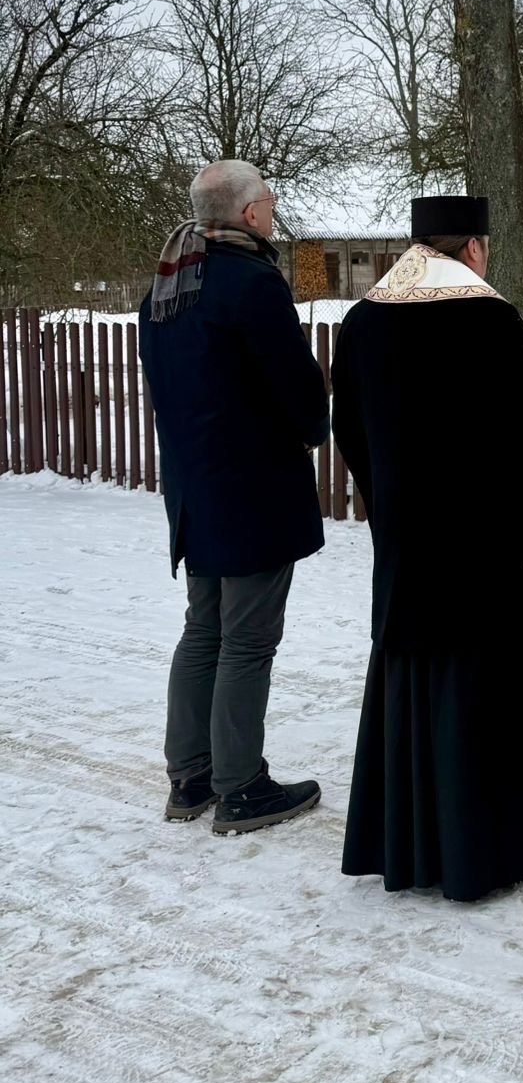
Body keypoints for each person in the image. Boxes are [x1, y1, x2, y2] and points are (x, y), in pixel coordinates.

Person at [330, 196, 523, 903]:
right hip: (485, 549)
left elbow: (350, 430)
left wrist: (390, 505)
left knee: (409, 689)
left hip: (407, 543)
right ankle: (479, 857)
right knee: (477, 697)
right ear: (473, 248)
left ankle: (407, 846)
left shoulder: (364, 319)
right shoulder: (491, 318)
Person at [140, 159, 329, 835]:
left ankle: (190, 776)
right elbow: (296, 384)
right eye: (269, 201)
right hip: (252, 491)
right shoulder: (250, 281)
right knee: (247, 640)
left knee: (204, 629)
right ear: (249, 213)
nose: (272, 211)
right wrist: (312, 427)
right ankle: (241, 787)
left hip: (195, 489)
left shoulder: (167, 286)